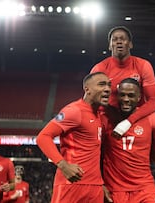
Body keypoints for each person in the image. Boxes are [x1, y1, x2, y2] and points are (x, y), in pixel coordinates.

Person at [91, 25, 155, 202]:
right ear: (109, 45)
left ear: (130, 43)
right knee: (92, 154)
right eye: (114, 39)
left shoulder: (142, 65)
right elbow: (93, 101)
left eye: (122, 38)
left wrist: (129, 122)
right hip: (110, 122)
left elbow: (153, 102)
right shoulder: (100, 69)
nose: (118, 41)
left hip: (139, 121)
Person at [36, 72, 111, 203]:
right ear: (87, 89)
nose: (107, 89)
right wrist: (63, 165)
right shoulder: (74, 111)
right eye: (102, 84)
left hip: (95, 187)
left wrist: (100, 183)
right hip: (71, 183)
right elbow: (43, 137)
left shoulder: (99, 115)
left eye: (109, 85)